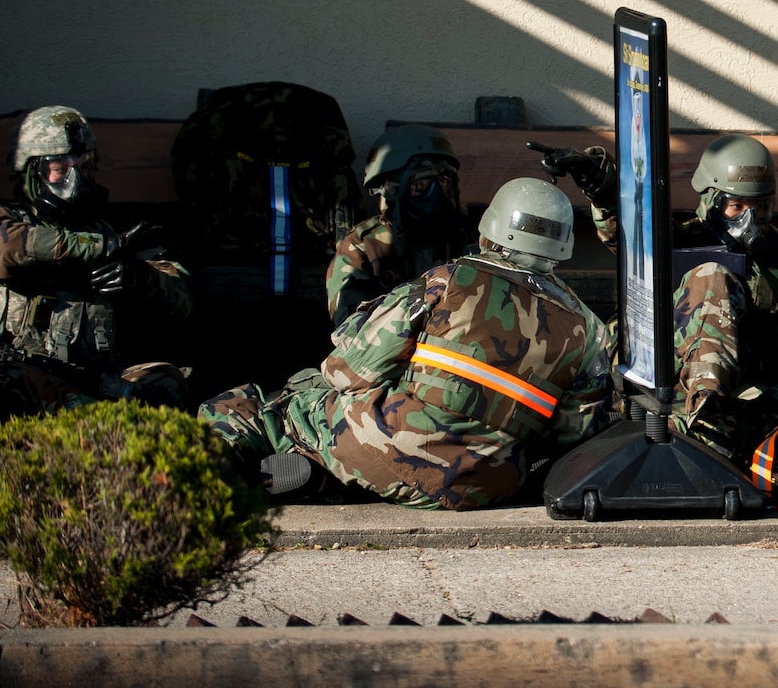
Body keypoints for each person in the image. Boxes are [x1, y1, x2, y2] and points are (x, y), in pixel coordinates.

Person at [198, 178, 612, 511]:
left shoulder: (447, 280)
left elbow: (347, 371)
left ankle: (204, 482)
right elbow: (572, 435)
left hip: (397, 448)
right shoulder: (589, 328)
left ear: (490, 230)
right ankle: (322, 479)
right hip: (488, 485)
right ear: (563, 245)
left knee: (261, 407)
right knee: (380, 454)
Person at [562, 134, 778, 506]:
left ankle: (721, 428)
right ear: (710, 200)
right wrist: (603, 187)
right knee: (711, 274)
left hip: (754, 385)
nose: (749, 220)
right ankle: (706, 417)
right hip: (676, 380)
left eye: (760, 208)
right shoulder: (681, 240)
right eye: (736, 206)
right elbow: (630, 232)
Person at [0, 105, 191, 404]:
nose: (76, 181)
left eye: (83, 167)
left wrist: (141, 277)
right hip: (16, 379)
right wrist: (97, 247)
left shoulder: (114, 229)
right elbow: (4, 248)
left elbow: (181, 301)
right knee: (18, 380)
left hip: (91, 380)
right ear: (32, 173)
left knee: (164, 380)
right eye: (60, 170)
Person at [325, 125, 477, 328]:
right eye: (422, 183)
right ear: (390, 188)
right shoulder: (363, 247)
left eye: (444, 181)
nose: (437, 193)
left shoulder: (468, 236)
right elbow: (350, 332)